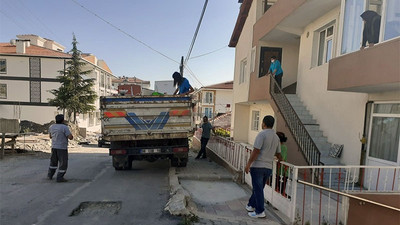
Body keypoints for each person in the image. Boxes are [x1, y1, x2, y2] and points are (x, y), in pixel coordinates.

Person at [245, 115, 282, 218]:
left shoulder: (262, 135)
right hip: (268, 167)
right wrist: (281, 160)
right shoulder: (276, 137)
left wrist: (248, 164)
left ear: (264, 123)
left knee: (258, 189)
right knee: (259, 188)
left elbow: (256, 150)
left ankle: (260, 211)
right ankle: (251, 205)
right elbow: (278, 153)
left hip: (258, 166)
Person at [47, 114, 73, 182]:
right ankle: (60, 177)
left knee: (53, 162)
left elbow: (50, 136)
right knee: (63, 163)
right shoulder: (64, 127)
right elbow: (70, 137)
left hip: (54, 147)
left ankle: (50, 175)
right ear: (63, 120)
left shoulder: (51, 127)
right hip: (62, 147)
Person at [276, 131, 288, 196]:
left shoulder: (283, 147)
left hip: (282, 170)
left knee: (280, 187)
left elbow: (281, 158)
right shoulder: (277, 146)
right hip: (277, 169)